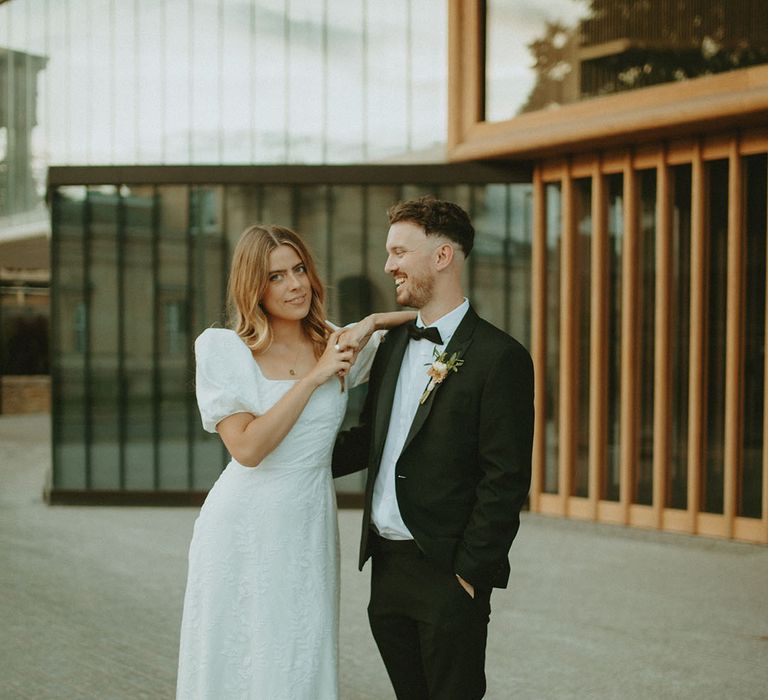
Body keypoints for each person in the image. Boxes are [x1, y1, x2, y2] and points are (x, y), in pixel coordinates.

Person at [175, 224, 415, 700]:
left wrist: (371, 321)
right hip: (242, 524)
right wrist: (314, 376)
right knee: (240, 656)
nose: (296, 284)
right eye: (277, 277)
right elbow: (246, 449)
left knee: (300, 651)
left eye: (299, 269)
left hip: (308, 520)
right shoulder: (224, 348)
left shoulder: (334, 340)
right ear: (254, 288)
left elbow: (421, 324)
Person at [333, 196, 534, 700]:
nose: (388, 265)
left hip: (449, 575)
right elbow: (367, 440)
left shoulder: (500, 358)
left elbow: (505, 478)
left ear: (442, 257)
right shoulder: (394, 345)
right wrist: (287, 452)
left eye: (400, 252)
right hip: (387, 570)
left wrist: (470, 573)